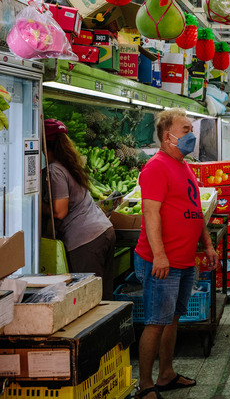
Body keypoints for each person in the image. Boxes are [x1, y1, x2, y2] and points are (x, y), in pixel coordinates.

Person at [133, 109, 218, 399]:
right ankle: (145, 384)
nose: (191, 135)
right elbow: (151, 214)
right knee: (156, 321)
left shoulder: (183, 165)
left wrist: (206, 244)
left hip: (183, 259)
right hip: (161, 261)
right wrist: (159, 254)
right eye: (185, 130)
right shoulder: (156, 167)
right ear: (167, 136)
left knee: (172, 318)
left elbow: (196, 210)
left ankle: (166, 373)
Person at [43, 119, 115, 300]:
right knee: (103, 295)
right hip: (103, 231)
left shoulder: (55, 171)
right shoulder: (70, 164)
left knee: (89, 297)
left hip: (85, 240)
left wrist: (32, 205)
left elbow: (60, 211)